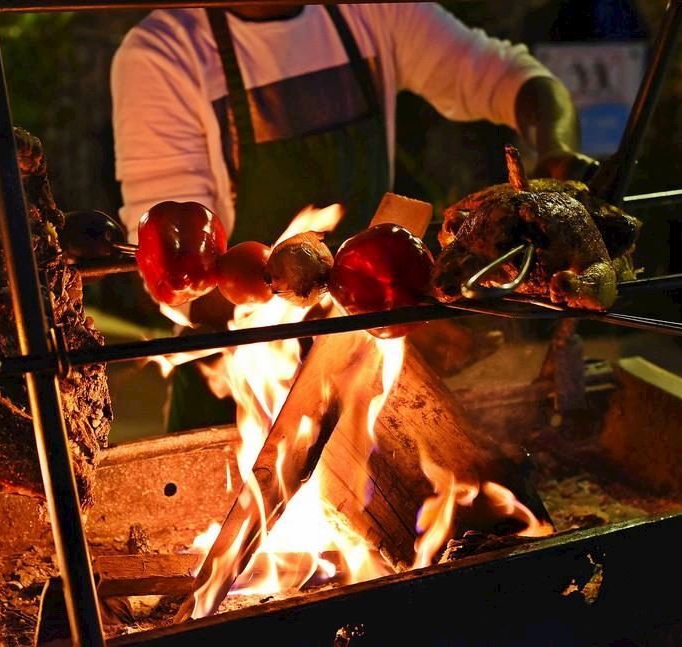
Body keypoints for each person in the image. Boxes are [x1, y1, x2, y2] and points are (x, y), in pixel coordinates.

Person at [111, 3, 593, 432]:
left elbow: (517, 80)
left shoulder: (371, 12)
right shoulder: (163, 54)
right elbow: (183, 281)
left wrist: (559, 151)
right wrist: (390, 312)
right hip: (245, 404)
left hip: (373, 391)